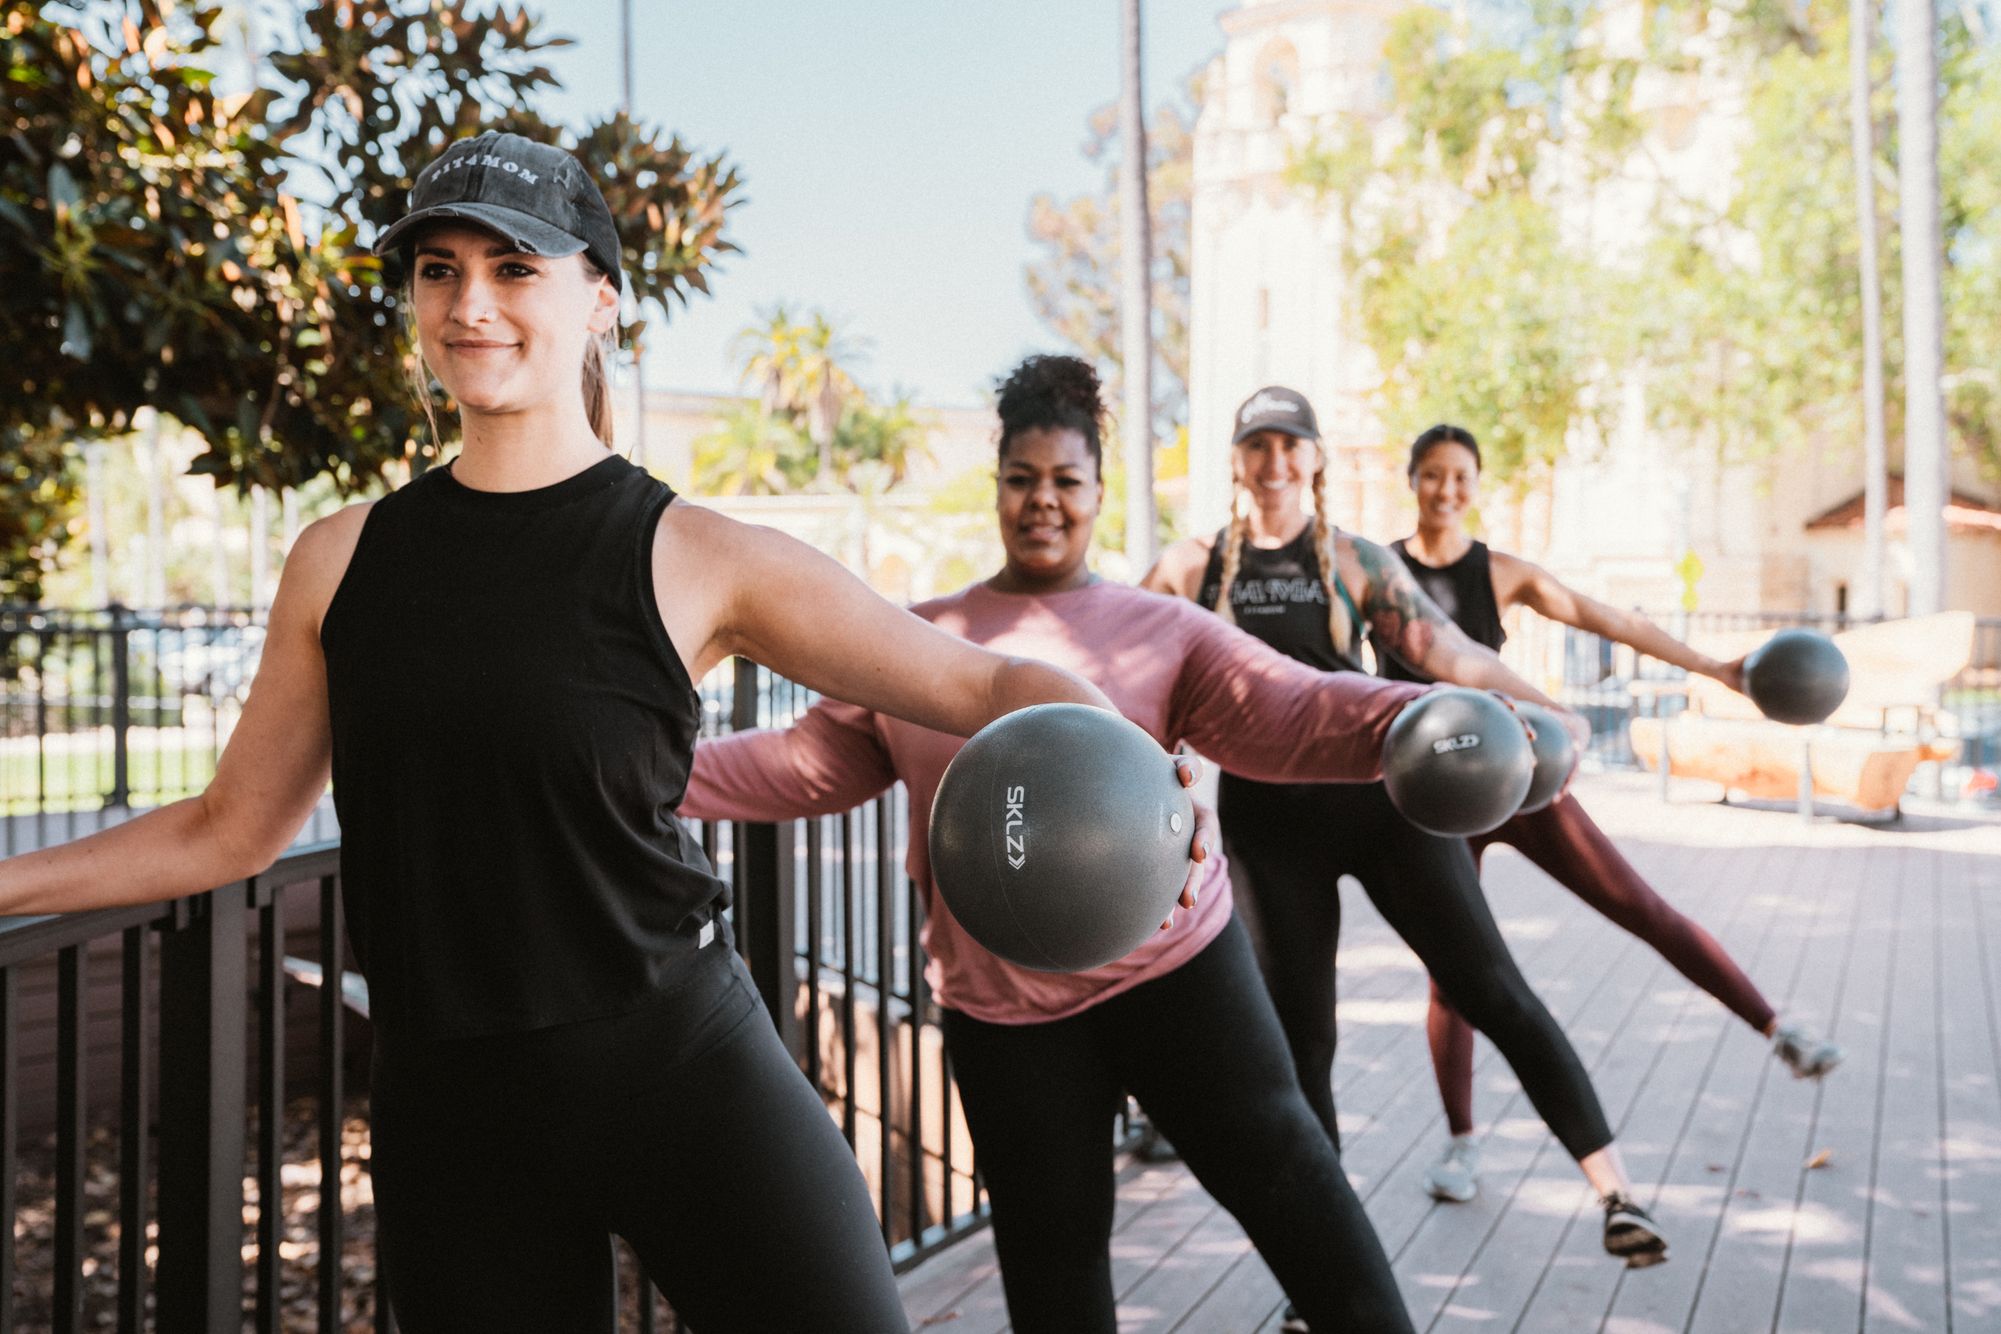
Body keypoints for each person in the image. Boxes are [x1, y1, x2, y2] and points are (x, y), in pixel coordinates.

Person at [0, 132, 1148, 1333]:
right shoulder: (340, 562)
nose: (471, 302)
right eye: (437, 269)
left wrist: (1142, 789)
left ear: (601, 297)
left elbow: (986, 688)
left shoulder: (694, 555)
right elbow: (232, 829)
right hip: (451, 1111)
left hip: (675, 1066)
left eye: (514, 266)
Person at [681, 355, 1429, 1334]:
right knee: (1052, 1265)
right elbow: (809, 760)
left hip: (1178, 975)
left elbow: (1294, 709)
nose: (1043, 501)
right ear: (997, 485)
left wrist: (1433, 716)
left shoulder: (1158, 628)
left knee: (1309, 1211)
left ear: (1096, 493)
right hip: (1003, 1012)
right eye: (1022, 478)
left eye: (1066, 481)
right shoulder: (920, 635)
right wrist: (646, 776)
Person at [1142, 386, 1670, 1273]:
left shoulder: (1351, 561)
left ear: (1314, 460)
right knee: (1301, 1041)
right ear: (1236, 460)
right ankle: (1327, 1271)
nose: (1274, 463)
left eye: (1291, 446)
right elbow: (1125, 665)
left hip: (1381, 801)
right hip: (1270, 827)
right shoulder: (1188, 568)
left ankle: (1614, 1192)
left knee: (1490, 988)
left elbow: (1446, 651)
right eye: (1257, 446)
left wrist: (1546, 710)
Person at [1387, 423, 1843, 1204]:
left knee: (1637, 905)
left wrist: (1711, 667)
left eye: (1460, 475)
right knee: (1450, 976)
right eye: (1432, 474)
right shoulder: (1376, 571)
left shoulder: (1500, 572)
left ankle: (1777, 1030)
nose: (1445, 489)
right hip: (1431, 794)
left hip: (1515, 771)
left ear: (1475, 483)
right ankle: (1461, 1145)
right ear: (1413, 481)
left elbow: (1609, 619)